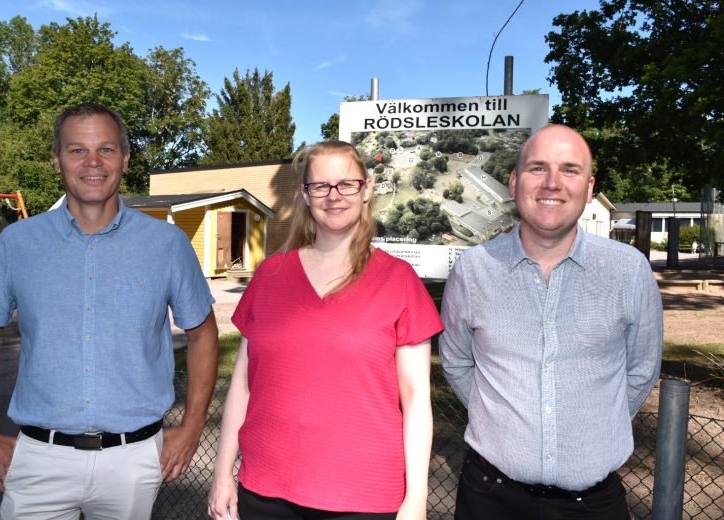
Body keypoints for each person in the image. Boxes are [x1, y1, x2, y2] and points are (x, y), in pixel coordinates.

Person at [0, 102, 219, 519]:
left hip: (133, 460)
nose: (93, 162)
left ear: (126, 158)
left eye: (107, 149)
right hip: (38, 460)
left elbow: (203, 333)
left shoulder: (167, 245)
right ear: (57, 160)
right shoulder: (17, 244)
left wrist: (191, 429)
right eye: (77, 150)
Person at [208, 141, 443, 519]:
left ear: (366, 190)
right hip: (266, 492)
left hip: (365, 498)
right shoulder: (270, 276)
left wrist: (416, 499)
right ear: (305, 195)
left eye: (346, 184)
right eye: (320, 186)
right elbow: (243, 384)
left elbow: (416, 399)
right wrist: (222, 474)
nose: (334, 196)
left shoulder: (399, 281)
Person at [439, 124, 663, 520]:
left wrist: (594, 426)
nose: (553, 183)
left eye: (570, 170)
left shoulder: (628, 272)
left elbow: (641, 370)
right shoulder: (473, 271)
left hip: (593, 505)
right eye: (538, 168)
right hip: (489, 498)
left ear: (590, 188)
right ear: (513, 182)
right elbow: (456, 361)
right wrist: (501, 420)